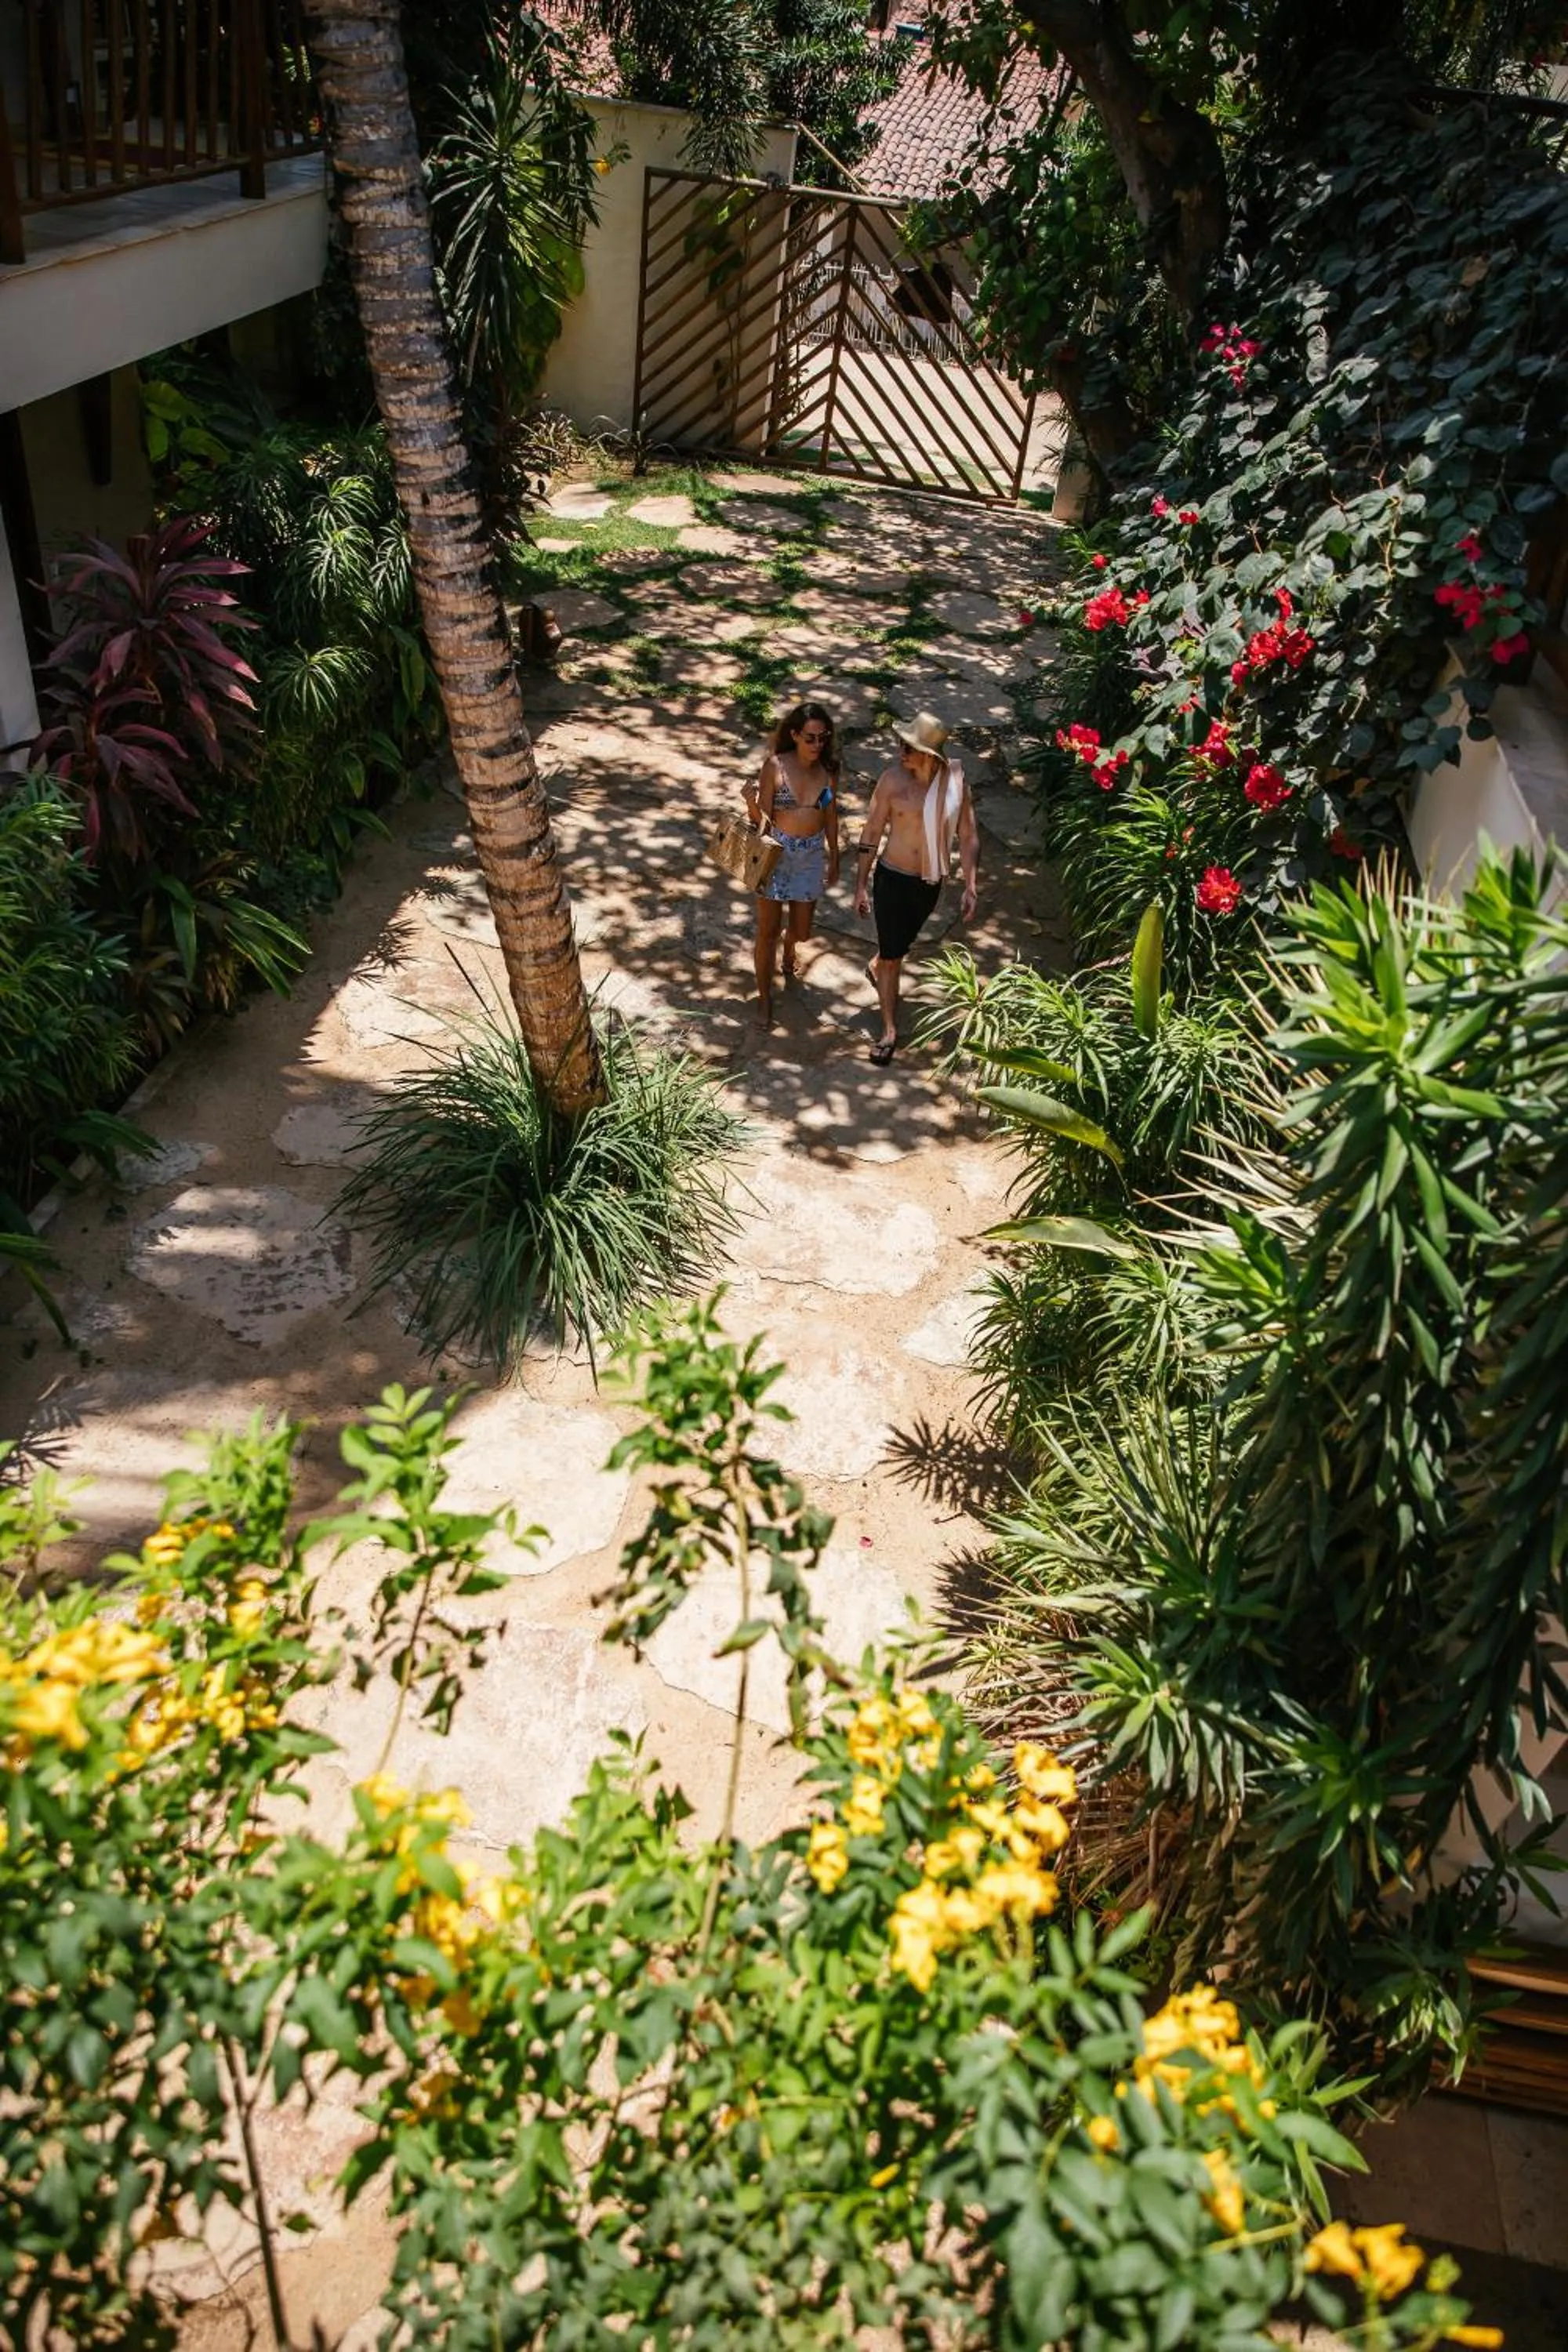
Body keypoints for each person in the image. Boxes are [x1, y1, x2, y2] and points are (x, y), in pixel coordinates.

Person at [853, 710, 978, 1065]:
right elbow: (871, 833)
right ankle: (889, 1030)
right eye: (901, 744)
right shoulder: (892, 782)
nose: (900, 751)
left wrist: (971, 884)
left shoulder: (955, 786)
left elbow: (968, 837)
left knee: (900, 945)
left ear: (930, 755)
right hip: (891, 878)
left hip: (929, 883)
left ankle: (879, 964)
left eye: (908, 747)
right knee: (893, 955)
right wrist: (861, 884)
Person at [743, 701, 841, 1029]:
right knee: (766, 932)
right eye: (810, 738)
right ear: (795, 735)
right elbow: (764, 821)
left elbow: (828, 812)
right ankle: (764, 999)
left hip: (810, 856)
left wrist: (835, 855)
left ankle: (790, 946)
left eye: (822, 738)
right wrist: (750, 802)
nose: (817, 745)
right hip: (777, 853)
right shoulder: (775, 766)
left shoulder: (827, 772)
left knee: (802, 931)